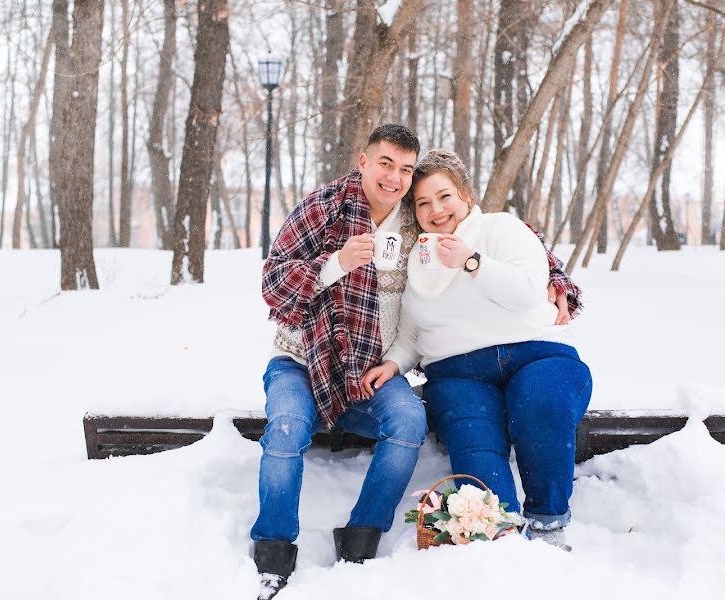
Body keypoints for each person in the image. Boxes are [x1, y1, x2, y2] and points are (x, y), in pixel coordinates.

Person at [363, 149, 592, 551]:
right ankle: (500, 536)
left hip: (536, 353)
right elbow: (413, 330)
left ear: (465, 196)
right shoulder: (419, 257)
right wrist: (393, 363)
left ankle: (547, 522)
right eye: (423, 202)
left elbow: (526, 291)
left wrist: (472, 262)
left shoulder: (501, 229)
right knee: (475, 451)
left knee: (541, 407)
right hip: (457, 371)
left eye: (444, 196)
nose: (436, 209)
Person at [253, 124, 428, 599]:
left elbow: (481, 227)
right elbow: (272, 284)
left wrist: (553, 276)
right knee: (287, 426)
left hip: (371, 370)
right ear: (364, 161)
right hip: (300, 360)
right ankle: (272, 549)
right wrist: (335, 264)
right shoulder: (322, 208)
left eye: (406, 169)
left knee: (410, 420)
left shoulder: (417, 222)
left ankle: (361, 538)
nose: (394, 178)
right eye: (385, 163)